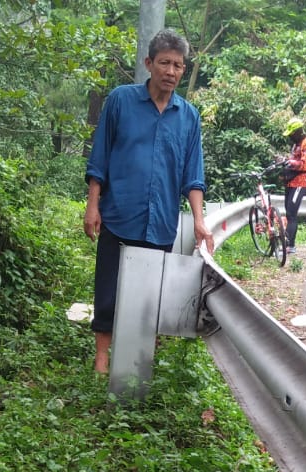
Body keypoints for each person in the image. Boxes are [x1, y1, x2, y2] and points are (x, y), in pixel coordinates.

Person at [84, 29, 213, 375]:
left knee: (149, 298)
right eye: (164, 63)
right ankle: (102, 357)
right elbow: (100, 158)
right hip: (118, 213)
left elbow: (193, 175)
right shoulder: (121, 101)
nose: (171, 72)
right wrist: (92, 205)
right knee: (108, 288)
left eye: (178, 66)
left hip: (160, 221)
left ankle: (141, 361)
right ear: (148, 64)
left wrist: (199, 220)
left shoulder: (188, 116)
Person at [281, 117, 306, 255]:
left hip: (300, 183)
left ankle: (290, 245)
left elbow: (304, 164)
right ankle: (288, 244)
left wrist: (289, 162)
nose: (289, 136)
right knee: (288, 213)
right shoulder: (296, 144)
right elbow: (293, 159)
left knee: (291, 214)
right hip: (290, 182)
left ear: (298, 131)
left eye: (291, 133)